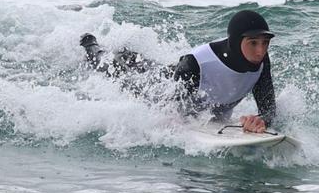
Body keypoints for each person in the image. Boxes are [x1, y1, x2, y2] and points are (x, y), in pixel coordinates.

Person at [80, 9, 276, 133]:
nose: (260, 50)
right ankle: (92, 46)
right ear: (235, 41)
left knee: (142, 64)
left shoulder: (260, 62)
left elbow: (268, 109)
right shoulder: (197, 63)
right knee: (117, 71)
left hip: (179, 81)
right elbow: (171, 111)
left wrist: (260, 121)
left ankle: (126, 53)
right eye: (253, 43)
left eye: (265, 43)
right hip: (156, 89)